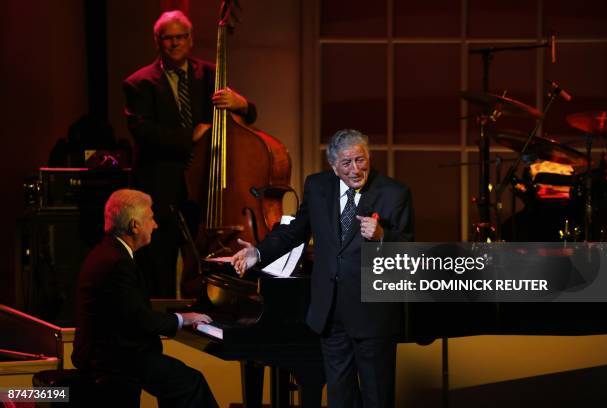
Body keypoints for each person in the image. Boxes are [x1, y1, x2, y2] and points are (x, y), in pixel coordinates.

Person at [231, 129, 414, 408]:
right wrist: (258, 252)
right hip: (330, 315)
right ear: (333, 166)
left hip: (373, 317)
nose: (355, 169)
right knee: (340, 399)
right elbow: (294, 232)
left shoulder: (394, 193)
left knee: (377, 399)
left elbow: (409, 254)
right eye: (347, 163)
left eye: (361, 160)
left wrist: (383, 236)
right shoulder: (318, 187)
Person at [123, 10, 257, 297]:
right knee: (160, 267)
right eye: (168, 38)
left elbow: (249, 115)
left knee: (203, 268)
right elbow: (143, 132)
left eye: (180, 37)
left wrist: (241, 103)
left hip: (206, 190)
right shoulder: (138, 83)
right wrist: (189, 136)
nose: (175, 43)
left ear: (191, 39)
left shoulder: (211, 75)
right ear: (157, 41)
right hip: (162, 191)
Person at [72, 189, 218, 407]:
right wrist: (183, 319)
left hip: (110, 353)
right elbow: (139, 319)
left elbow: (130, 312)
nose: (156, 225)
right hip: (114, 359)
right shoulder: (118, 262)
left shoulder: (106, 253)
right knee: (190, 383)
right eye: (150, 218)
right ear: (134, 225)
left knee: (177, 381)